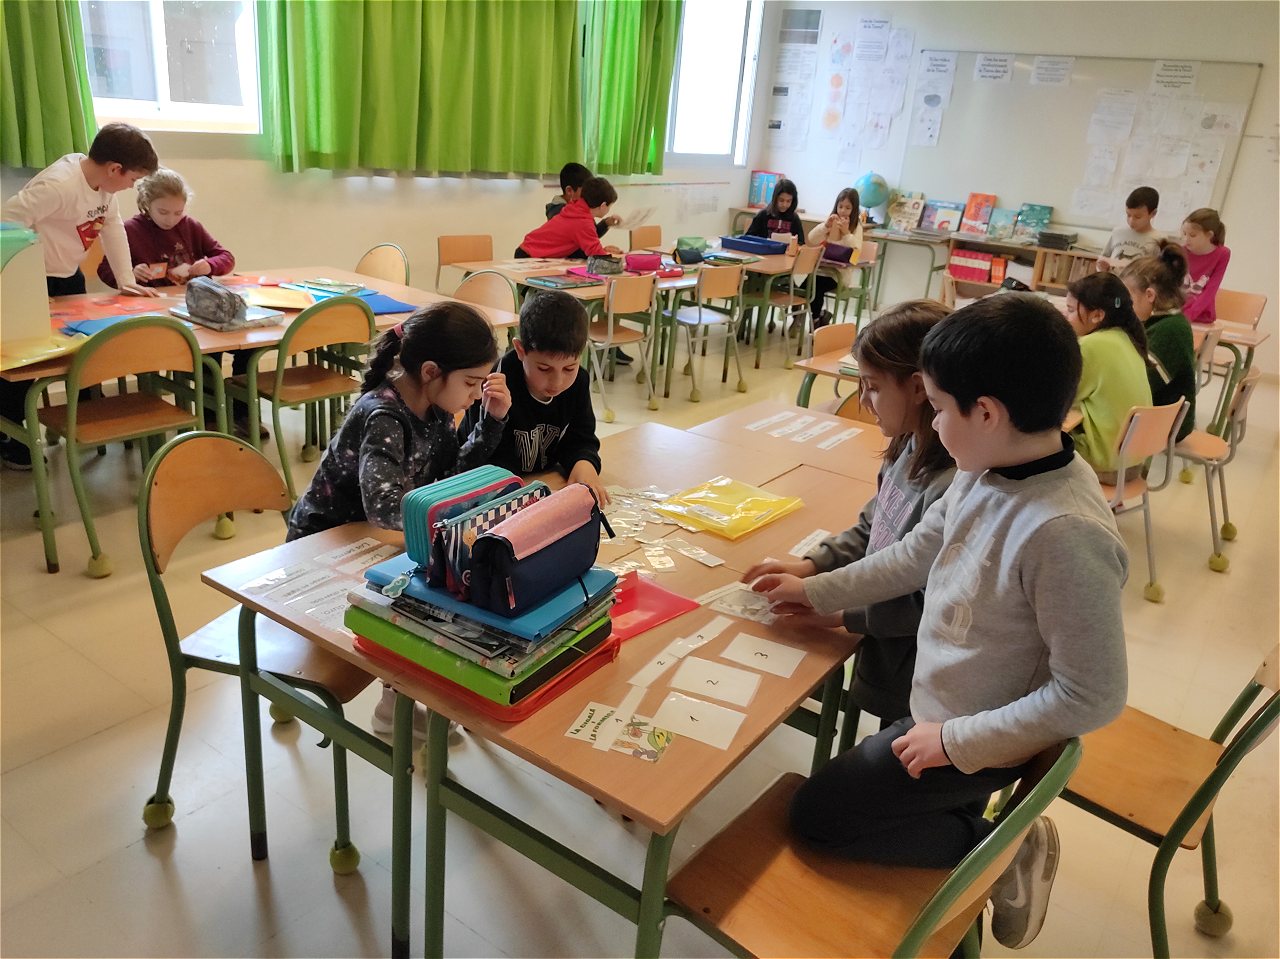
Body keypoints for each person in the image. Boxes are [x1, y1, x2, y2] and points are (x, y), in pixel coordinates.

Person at [754, 293, 1128, 951]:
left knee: (815, 817)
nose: (930, 422)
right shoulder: (990, 466)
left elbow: (1092, 694)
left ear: (986, 413)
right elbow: (912, 555)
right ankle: (977, 839)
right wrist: (814, 590)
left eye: (937, 407)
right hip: (940, 708)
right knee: (843, 802)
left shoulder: (1064, 533)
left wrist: (954, 741)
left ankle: (1001, 851)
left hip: (973, 735)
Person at [741, 300, 955, 726]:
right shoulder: (909, 443)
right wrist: (811, 565)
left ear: (919, 388)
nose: (863, 400)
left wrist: (841, 614)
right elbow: (875, 526)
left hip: (916, 678)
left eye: (872, 387)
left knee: (900, 749)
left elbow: (931, 602)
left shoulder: (950, 484)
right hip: (882, 644)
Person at [0, 122, 161, 469]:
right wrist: (23, 284)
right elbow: (8, 222)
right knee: (28, 360)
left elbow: (112, 229)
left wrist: (126, 279)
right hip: (36, 280)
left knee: (80, 348)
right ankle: (10, 433)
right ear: (115, 169)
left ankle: (85, 417)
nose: (132, 186)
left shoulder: (104, 188)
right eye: (133, 179)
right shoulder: (59, 185)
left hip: (68, 276)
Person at [286, 301, 510, 542]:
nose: (477, 394)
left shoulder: (437, 406)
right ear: (430, 372)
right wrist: (454, 519)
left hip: (369, 536)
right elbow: (383, 507)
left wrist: (492, 423)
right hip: (322, 540)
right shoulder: (383, 417)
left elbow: (451, 475)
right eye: (470, 382)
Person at [96, 168, 258, 438]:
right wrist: (130, 274)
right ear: (146, 204)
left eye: (178, 212)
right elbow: (105, 270)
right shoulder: (130, 230)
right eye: (163, 212)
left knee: (248, 347)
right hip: (158, 315)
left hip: (197, 308)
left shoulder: (190, 226)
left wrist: (208, 265)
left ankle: (242, 413)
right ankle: (211, 418)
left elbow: (226, 257)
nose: (171, 219)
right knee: (207, 354)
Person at [462, 290, 608, 505]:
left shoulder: (579, 381)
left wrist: (584, 462)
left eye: (569, 368)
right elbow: (478, 459)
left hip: (544, 482)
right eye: (544, 369)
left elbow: (581, 438)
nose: (557, 382)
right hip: (497, 493)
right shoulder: (494, 383)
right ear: (520, 350)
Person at [1064, 273, 1154, 481]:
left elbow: (1060, 399)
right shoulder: (1126, 338)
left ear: (1097, 315)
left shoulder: (1092, 345)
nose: (1065, 316)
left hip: (1104, 463)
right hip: (1132, 461)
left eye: (1071, 310)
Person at [1122, 245, 1197, 439]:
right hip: (1152, 414)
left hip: (1165, 424)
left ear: (1149, 295)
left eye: (1128, 298)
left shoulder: (1171, 330)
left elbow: (1142, 385)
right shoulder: (1159, 321)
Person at [516, 176, 622, 260]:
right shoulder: (583, 222)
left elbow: (587, 241)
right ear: (603, 205)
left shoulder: (575, 208)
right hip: (530, 256)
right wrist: (619, 262)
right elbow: (597, 254)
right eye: (610, 206)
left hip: (527, 249)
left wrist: (606, 225)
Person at [806, 186, 865, 326]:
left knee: (816, 286)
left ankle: (815, 321)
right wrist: (825, 226)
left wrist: (846, 233)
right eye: (840, 206)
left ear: (854, 209)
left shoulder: (856, 227)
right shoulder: (832, 222)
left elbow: (856, 250)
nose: (843, 211)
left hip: (838, 275)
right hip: (820, 270)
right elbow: (812, 238)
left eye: (848, 208)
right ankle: (807, 315)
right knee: (804, 283)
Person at [1179, 208, 1231, 324]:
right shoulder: (1180, 251)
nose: (1186, 239)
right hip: (1176, 311)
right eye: (1184, 233)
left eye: (1192, 235)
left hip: (1201, 315)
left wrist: (1189, 315)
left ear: (1209, 235)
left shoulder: (1223, 254)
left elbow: (1211, 290)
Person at [1095, 186, 1161, 272]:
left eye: (1138, 217)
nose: (1131, 221)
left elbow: (1158, 272)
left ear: (1153, 213)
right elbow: (1103, 260)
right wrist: (1102, 267)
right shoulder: (1118, 232)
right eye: (1128, 215)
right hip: (1111, 279)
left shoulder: (1159, 239)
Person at [545, 162, 620, 237]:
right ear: (569, 191)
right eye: (585, 190)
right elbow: (584, 237)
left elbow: (589, 235)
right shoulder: (558, 212)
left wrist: (606, 223)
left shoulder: (581, 209)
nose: (589, 194)